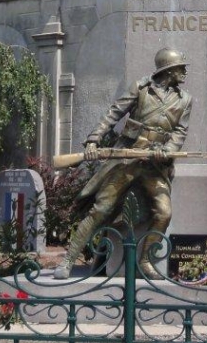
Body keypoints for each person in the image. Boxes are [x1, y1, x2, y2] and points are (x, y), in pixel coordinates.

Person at [53, 47, 192, 279]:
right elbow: (113, 113)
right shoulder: (141, 88)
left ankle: (146, 260)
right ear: (168, 70)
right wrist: (93, 139)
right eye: (181, 68)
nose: (185, 72)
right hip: (127, 158)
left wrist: (167, 151)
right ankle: (67, 261)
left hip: (154, 165)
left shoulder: (185, 100)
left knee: (164, 212)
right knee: (101, 208)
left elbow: (180, 131)